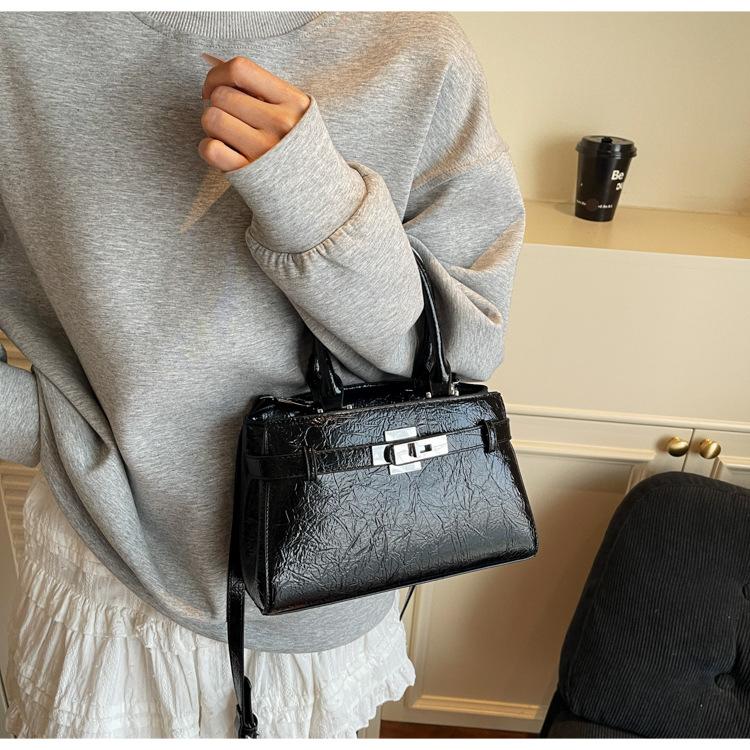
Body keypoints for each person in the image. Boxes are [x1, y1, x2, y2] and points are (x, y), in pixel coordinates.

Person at [0, 10, 526, 739]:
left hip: (336, 570)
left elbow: (460, 351)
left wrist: (311, 197)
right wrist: (55, 430)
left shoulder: (415, 48)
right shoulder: (19, 35)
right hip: (106, 574)